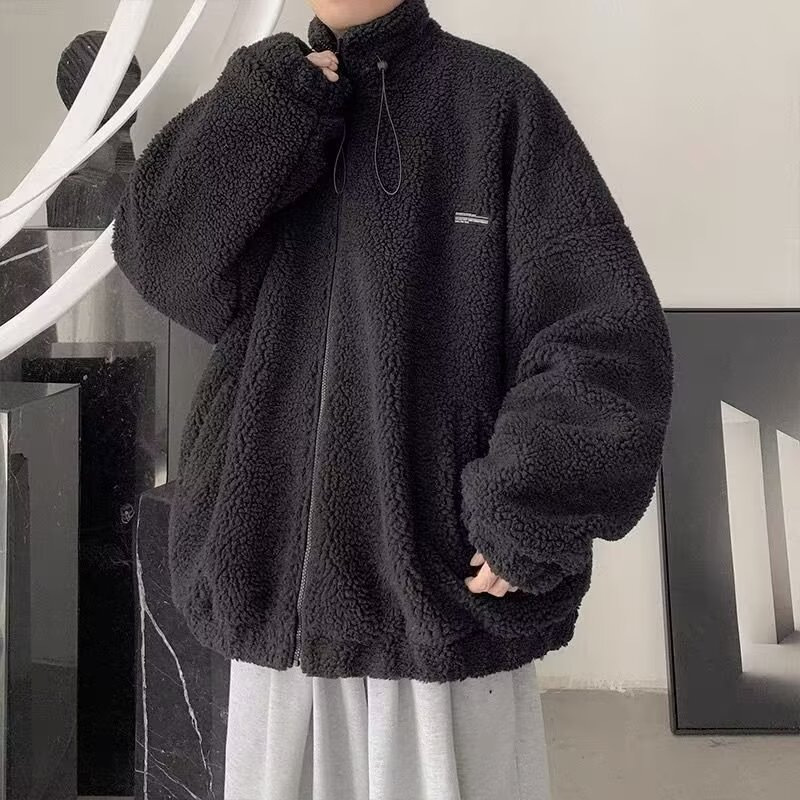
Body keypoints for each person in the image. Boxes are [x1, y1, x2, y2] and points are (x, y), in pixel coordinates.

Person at [110, 0, 674, 797]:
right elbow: (161, 260)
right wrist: (266, 108)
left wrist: (531, 504)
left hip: (436, 598)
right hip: (275, 598)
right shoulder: (271, 106)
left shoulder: (496, 102)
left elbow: (602, 331)